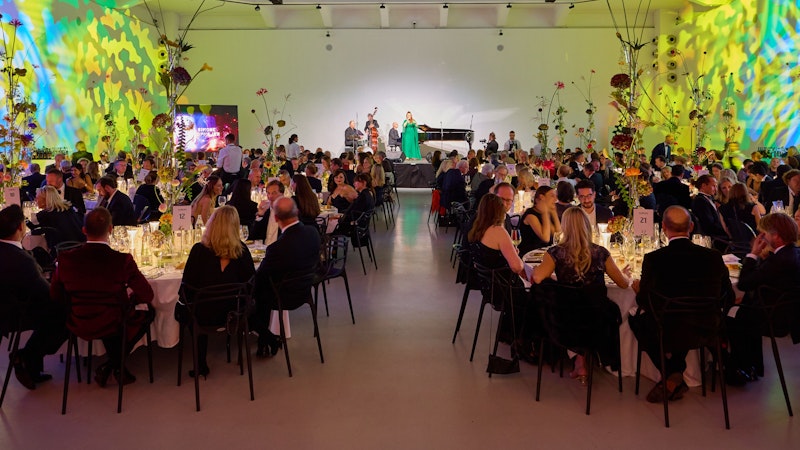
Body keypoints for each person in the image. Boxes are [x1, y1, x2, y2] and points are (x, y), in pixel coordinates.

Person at [630, 206, 734, 402]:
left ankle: (672, 373)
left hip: (667, 330)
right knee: (682, 319)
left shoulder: (654, 259)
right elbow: (727, 296)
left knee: (636, 320)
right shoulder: (713, 257)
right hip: (707, 327)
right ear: (691, 227)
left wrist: (639, 291)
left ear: (663, 228)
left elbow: (645, 302)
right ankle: (674, 374)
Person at [50, 207, 154, 386]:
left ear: (84, 230)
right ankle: (114, 365)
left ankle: (112, 366)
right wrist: (130, 296)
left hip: (77, 320)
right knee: (148, 313)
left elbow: (55, 295)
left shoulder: (66, 259)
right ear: (111, 229)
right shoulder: (122, 260)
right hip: (111, 322)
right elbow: (147, 295)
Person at [532, 207, 630, 381]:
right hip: (596, 319)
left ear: (565, 227)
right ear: (586, 226)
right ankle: (588, 360)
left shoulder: (555, 253)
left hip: (565, 318)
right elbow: (623, 284)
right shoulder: (600, 252)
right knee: (591, 306)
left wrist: (549, 274)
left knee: (577, 306)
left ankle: (580, 363)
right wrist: (625, 275)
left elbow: (537, 277)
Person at [178, 206, 256, 378]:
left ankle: (200, 362)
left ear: (212, 224)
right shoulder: (242, 251)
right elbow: (251, 286)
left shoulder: (199, 251)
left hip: (203, 315)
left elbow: (186, 288)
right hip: (234, 314)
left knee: (187, 307)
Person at [1, 205, 68, 390]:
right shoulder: (21, 260)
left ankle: (32, 367)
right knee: (65, 313)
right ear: (20, 227)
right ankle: (26, 356)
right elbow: (47, 294)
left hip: (5, 307)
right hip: (16, 313)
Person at [728, 213, 800, 384]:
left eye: (764, 234)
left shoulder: (779, 261)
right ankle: (752, 366)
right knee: (741, 308)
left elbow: (744, 283)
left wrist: (753, 254)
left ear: (777, 236)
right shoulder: (793, 253)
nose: (762, 238)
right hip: (789, 313)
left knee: (730, 317)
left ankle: (738, 368)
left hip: (774, 318)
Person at [252, 197, 321, 357]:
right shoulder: (313, 233)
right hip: (305, 290)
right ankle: (266, 341)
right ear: (297, 212)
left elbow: (260, 277)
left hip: (283, 296)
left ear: (276, 218)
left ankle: (267, 339)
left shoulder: (277, 248)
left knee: (251, 297)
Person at [467, 194, 530, 359]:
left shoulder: (476, 230)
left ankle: (507, 332)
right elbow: (517, 267)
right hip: (506, 290)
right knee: (538, 294)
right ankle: (525, 342)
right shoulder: (498, 231)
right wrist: (515, 255)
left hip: (488, 287)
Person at [518, 186, 561, 256]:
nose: (556, 199)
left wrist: (554, 213)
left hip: (543, 253)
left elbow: (557, 235)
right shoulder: (530, 215)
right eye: (552, 196)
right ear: (542, 197)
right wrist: (545, 212)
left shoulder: (546, 214)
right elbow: (545, 238)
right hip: (530, 255)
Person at [691, 174, 730, 248]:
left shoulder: (709, 199)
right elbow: (709, 225)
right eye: (713, 186)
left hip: (716, 234)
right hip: (713, 237)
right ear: (703, 186)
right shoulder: (700, 201)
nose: (716, 189)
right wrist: (726, 231)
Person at [251, 180, 284, 245]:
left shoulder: (287, 213)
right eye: (268, 193)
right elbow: (254, 236)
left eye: (274, 193)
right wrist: (260, 214)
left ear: (282, 194)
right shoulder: (266, 212)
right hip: (263, 248)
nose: (270, 196)